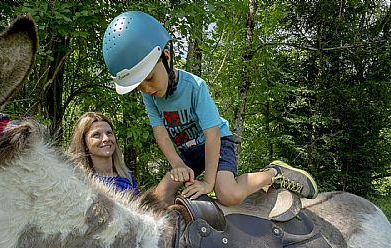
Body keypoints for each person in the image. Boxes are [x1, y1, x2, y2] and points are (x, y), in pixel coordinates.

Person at [101, 11, 317, 205]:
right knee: (160, 196)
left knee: (227, 193)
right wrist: (177, 164)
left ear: (166, 57)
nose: (146, 89)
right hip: (189, 152)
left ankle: (273, 173)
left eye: (149, 78)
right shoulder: (151, 95)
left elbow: (212, 134)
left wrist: (208, 183)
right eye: (139, 86)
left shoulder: (195, 87)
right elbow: (161, 133)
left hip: (217, 143)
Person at [69, 112, 139, 195]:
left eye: (109, 133)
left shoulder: (127, 177)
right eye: (96, 135)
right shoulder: (80, 182)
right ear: (84, 144)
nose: (106, 139)